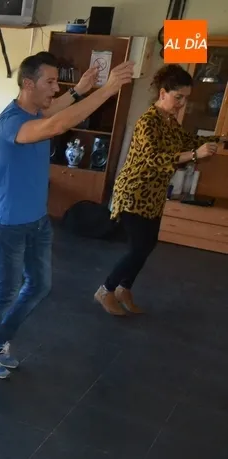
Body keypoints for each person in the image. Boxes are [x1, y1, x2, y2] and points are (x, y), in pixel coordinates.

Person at [0, 52, 134, 379]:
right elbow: (57, 123)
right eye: (51, 82)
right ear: (29, 84)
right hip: (7, 224)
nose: (56, 88)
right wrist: (108, 89)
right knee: (5, 292)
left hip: (37, 221)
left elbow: (54, 110)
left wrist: (80, 89)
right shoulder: (12, 122)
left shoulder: (34, 111)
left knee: (39, 286)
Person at [94, 65, 226, 315]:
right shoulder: (148, 122)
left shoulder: (169, 121)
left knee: (148, 245)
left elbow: (188, 141)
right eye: (178, 97)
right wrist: (195, 154)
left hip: (153, 195)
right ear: (163, 93)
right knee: (137, 248)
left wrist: (217, 139)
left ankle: (124, 288)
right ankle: (106, 290)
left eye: (186, 98)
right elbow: (155, 158)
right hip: (134, 192)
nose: (182, 104)